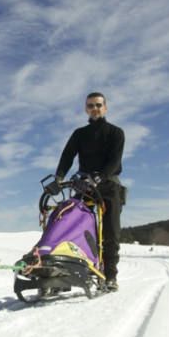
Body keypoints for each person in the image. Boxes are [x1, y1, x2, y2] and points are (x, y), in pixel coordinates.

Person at [53, 91, 125, 292]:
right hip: (84, 186)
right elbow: (67, 156)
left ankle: (110, 276)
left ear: (105, 107)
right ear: (86, 109)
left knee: (111, 232)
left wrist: (100, 177)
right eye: (91, 105)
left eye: (98, 105)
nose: (95, 109)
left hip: (108, 185)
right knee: (70, 224)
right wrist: (59, 178)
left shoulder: (116, 133)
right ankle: (66, 273)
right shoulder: (79, 134)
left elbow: (115, 161)